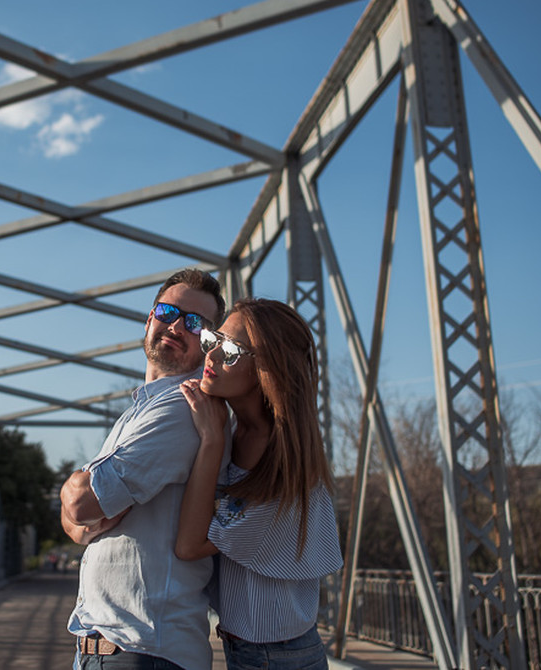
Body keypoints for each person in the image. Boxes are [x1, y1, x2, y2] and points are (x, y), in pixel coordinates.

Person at [61, 268, 228, 669]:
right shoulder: (141, 411)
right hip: (115, 649)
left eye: (194, 323)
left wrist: (80, 497)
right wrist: (83, 508)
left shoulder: (179, 409)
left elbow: (82, 505)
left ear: (208, 344)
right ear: (149, 317)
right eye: (168, 311)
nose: (176, 326)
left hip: (144, 651)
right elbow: (76, 525)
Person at [175, 298, 343, 670]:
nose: (213, 355)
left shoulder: (278, 458)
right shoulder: (239, 431)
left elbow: (189, 546)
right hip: (253, 650)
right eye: (212, 340)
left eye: (232, 350)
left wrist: (211, 440)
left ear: (267, 369)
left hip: (278, 657)